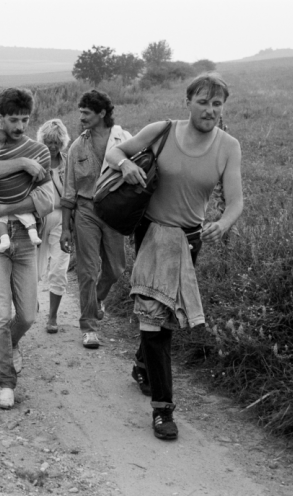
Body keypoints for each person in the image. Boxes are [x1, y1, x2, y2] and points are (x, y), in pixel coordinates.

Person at [105, 73, 243, 440]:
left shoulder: (229, 147)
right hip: (150, 232)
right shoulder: (162, 130)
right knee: (156, 319)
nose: (210, 110)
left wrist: (224, 223)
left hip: (189, 240)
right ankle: (163, 410)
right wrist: (125, 165)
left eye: (217, 104)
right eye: (203, 102)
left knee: (161, 310)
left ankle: (141, 364)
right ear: (188, 102)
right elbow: (114, 151)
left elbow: (236, 200)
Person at [0, 87, 54, 409]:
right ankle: (6, 383)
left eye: (25, 119)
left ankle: (10, 343)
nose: (19, 126)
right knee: (1, 314)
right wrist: (21, 164)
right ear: (1, 118)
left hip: (25, 237)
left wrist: (5, 208)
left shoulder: (41, 151)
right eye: (13, 119)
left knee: (28, 315)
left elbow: (47, 200)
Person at [60, 90, 132, 349]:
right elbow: (68, 190)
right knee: (87, 270)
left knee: (115, 269)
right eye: (80, 113)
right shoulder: (77, 146)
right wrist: (66, 228)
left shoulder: (124, 140)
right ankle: (88, 326)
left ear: (102, 113)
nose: (81, 118)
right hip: (86, 210)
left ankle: (98, 298)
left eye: (86, 113)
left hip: (114, 210)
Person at [35, 119, 71, 334]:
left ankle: (53, 316)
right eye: (48, 141)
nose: (52, 146)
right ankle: (30, 304)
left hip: (62, 219)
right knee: (33, 268)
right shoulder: (35, 162)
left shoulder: (69, 163)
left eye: (56, 142)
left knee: (59, 268)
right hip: (38, 220)